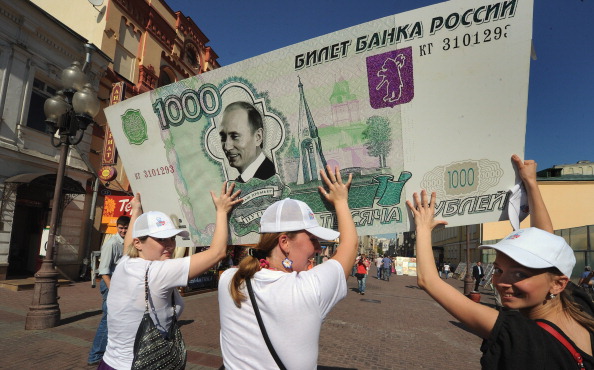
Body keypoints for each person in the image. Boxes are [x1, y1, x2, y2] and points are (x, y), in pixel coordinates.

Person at [407, 154, 594, 369]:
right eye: (498, 270)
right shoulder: (578, 305)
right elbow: (548, 243)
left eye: (520, 274)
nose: (501, 282)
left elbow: (428, 281)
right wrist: (531, 183)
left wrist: (422, 228)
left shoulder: (520, 335)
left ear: (558, 284)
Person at [218, 165, 357, 369]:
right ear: (284, 242)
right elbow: (349, 245)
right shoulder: (308, 288)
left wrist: (222, 212)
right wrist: (341, 201)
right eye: (312, 239)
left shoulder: (229, 280)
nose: (318, 248)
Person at [99, 183, 242, 369]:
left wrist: (136, 210)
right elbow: (217, 253)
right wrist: (222, 211)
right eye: (161, 239)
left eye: (172, 238)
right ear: (139, 243)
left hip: (111, 362)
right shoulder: (158, 272)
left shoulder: (126, 262)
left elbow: (129, 244)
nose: (169, 244)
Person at [88, 215, 130, 366]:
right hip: (110, 283)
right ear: (117, 227)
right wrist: (114, 290)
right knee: (107, 320)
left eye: (126, 228)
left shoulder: (128, 242)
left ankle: (103, 352)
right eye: (121, 228)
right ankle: (95, 355)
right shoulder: (112, 244)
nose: (123, 231)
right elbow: (103, 271)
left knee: (114, 320)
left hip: (119, 284)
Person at [219, 101, 276, 182]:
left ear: (258, 137)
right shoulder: (239, 184)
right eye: (223, 137)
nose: (227, 147)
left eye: (235, 136)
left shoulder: (273, 178)